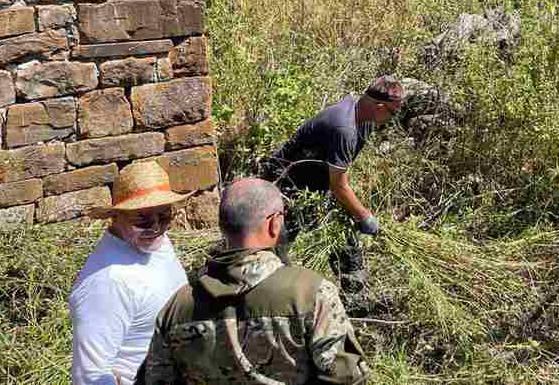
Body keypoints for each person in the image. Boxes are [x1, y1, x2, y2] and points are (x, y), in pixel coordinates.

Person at [141, 178, 370, 383]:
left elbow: (155, 379)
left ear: (222, 227)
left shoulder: (177, 306)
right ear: (274, 224)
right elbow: (348, 376)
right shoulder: (310, 293)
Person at [261, 75, 404, 299]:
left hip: (317, 185)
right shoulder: (344, 128)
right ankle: (272, 302)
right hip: (287, 186)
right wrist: (365, 216)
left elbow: (338, 176)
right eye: (392, 113)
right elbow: (340, 186)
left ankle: (356, 299)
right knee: (274, 249)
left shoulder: (362, 117)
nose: (392, 119)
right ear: (378, 107)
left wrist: (350, 207)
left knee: (345, 238)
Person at [69, 161, 190, 385]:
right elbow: (89, 376)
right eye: (142, 220)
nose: (156, 227)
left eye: (164, 216)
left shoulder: (156, 242)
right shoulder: (108, 282)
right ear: (117, 216)